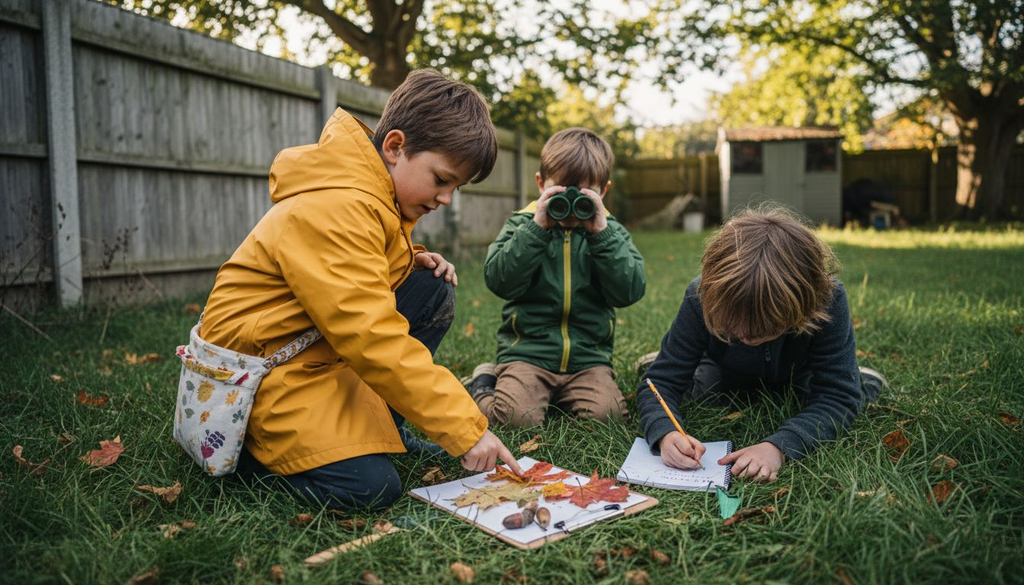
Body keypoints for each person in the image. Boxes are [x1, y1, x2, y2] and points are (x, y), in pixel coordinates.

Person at [198, 69, 522, 510]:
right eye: (442, 180)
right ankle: (250, 457)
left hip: (305, 354)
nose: (446, 198)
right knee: (369, 488)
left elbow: (352, 280)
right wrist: (466, 428)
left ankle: (384, 429)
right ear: (394, 147)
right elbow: (370, 335)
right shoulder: (337, 207)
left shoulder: (369, 196)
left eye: (456, 187)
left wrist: (406, 260)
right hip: (257, 380)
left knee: (428, 286)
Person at [635, 206, 888, 481]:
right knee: (697, 386)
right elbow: (659, 383)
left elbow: (837, 397)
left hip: (799, 374)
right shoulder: (701, 296)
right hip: (725, 371)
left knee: (841, 395)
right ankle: (677, 361)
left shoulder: (828, 300)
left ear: (802, 306)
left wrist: (778, 447)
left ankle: (860, 377)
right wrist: (665, 434)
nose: (744, 337)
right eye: (731, 328)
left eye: (761, 330)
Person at [465, 128, 646, 427]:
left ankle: (561, 393)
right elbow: (499, 280)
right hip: (527, 354)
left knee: (608, 416)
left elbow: (630, 290)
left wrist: (601, 236)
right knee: (515, 419)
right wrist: (537, 229)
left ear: (603, 192)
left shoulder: (609, 232)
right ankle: (483, 385)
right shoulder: (522, 225)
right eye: (560, 192)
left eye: (585, 195)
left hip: (588, 360)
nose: (572, 207)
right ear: (541, 184)